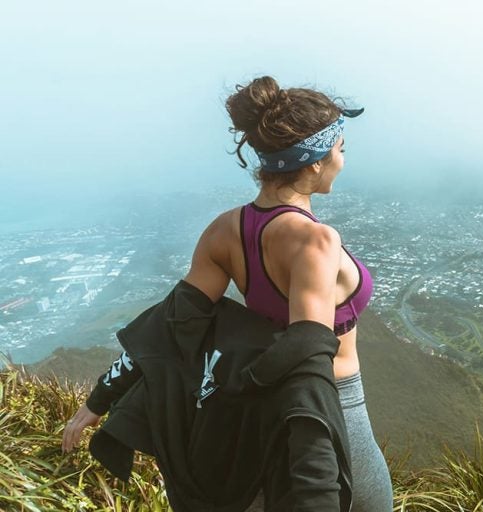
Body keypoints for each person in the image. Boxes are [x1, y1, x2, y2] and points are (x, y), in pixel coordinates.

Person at [62, 76, 393, 511]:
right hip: (330, 412)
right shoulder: (316, 242)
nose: (342, 160)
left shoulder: (224, 231)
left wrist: (101, 396)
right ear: (313, 161)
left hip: (256, 415)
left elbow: (173, 322)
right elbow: (309, 357)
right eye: (340, 149)